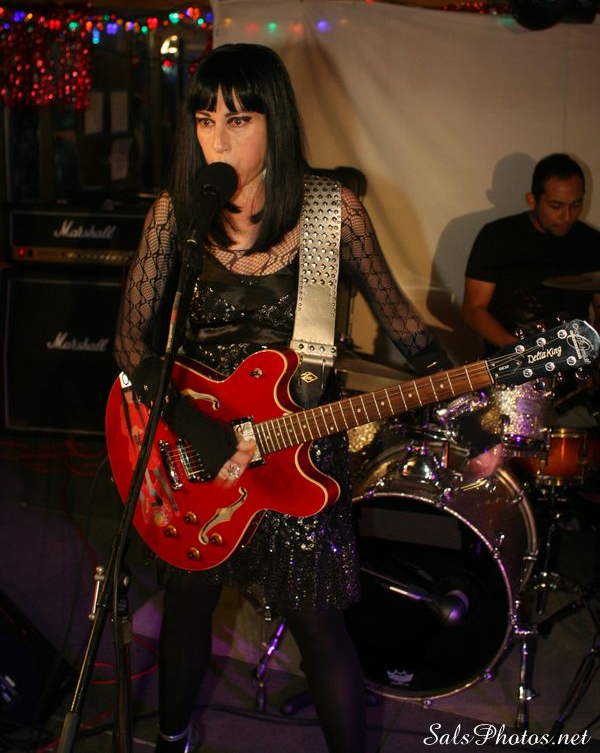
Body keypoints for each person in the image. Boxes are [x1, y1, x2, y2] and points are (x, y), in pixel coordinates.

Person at [113, 43, 451, 753]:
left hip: (297, 452)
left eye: (238, 120)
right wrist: (191, 426)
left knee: (319, 628)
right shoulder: (177, 211)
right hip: (194, 449)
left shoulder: (332, 211)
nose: (218, 140)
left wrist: (462, 382)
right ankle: (172, 739)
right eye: (205, 120)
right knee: (187, 605)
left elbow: (401, 321)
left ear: (277, 121)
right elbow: (131, 343)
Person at [463, 153, 600, 351]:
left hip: (574, 358)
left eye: (576, 205)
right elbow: (474, 309)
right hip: (512, 359)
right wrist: (522, 351)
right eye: (556, 206)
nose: (567, 216)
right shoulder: (497, 237)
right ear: (532, 200)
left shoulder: (592, 242)